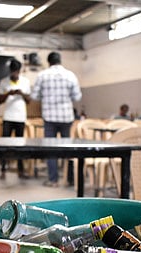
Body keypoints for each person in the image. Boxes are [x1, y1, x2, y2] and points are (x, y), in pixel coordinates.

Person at [31, 52, 82, 187]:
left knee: (51, 149)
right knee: (68, 149)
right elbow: (77, 97)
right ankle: (70, 178)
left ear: (49, 62)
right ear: (60, 60)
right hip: (66, 117)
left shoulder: (42, 75)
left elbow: (34, 96)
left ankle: (53, 180)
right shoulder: (70, 75)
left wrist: (46, 96)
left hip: (50, 117)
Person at [0, 59, 31, 180]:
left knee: (20, 145)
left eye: (16, 71)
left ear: (19, 71)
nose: (15, 74)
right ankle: (3, 170)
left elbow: (29, 100)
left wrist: (22, 93)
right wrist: (8, 93)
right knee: (5, 144)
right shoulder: (3, 82)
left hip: (20, 117)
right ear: (10, 70)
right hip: (8, 117)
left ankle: (20, 171)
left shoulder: (25, 82)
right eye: (13, 71)